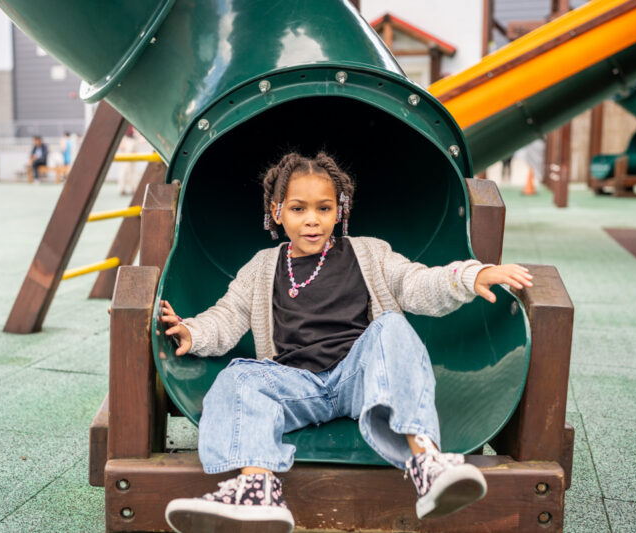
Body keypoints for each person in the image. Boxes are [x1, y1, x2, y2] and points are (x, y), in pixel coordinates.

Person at [158, 152, 534, 533]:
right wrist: (193, 332)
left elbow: (416, 283)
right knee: (239, 377)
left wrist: (470, 276)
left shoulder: (368, 253)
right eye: (298, 208)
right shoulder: (261, 267)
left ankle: (427, 464)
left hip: (358, 378)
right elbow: (229, 314)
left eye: (324, 208)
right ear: (276, 212)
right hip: (296, 385)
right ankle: (258, 489)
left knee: (391, 325)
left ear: (340, 210)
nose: (311, 220)